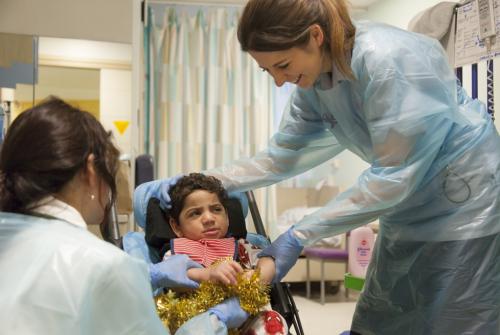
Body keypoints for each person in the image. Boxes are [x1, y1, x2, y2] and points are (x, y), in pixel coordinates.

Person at [134, 0, 500, 334]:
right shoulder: (314, 85)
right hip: (406, 209)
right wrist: (207, 180)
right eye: (267, 72)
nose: (279, 80)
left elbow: (395, 174)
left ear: (315, 36)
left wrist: (300, 234)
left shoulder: (388, 60)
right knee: (386, 317)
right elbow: (282, 156)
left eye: (283, 65)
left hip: (464, 203)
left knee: (455, 318)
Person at [0, 97, 244, 335]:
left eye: (216, 209)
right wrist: (212, 321)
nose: (209, 218)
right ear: (91, 169)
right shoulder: (104, 265)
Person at [142, 173, 286, 334]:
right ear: (176, 226)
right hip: (197, 322)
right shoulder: (176, 254)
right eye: (195, 213)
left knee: (270, 321)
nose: (209, 218)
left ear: (227, 217)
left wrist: (256, 277)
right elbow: (176, 277)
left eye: (216, 209)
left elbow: (268, 261)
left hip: (244, 321)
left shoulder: (241, 247)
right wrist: (207, 273)